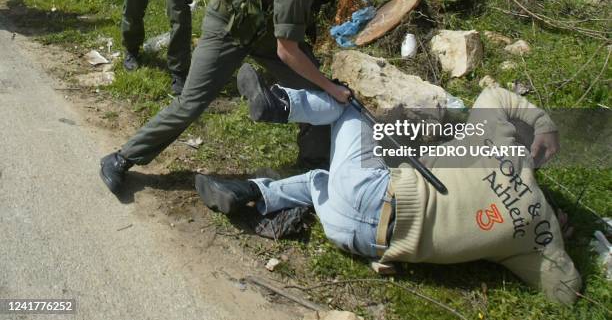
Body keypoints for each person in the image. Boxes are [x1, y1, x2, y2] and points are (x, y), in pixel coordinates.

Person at [196, 66, 582, 305]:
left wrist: (546, 123)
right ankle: (252, 192)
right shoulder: (537, 232)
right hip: (355, 238)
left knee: (345, 101)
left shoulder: (495, 140)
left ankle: (280, 102)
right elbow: (567, 292)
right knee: (320, 181)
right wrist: (550, 241)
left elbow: (497, 95)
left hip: (373, 194)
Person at [99, 0, 387, 193]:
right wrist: (329, 85)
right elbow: (287, 51)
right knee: (191, 103)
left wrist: (322, 85)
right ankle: (122, 158)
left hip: (264, 31)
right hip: (229, 27)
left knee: (315, 94)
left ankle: (310, 168)